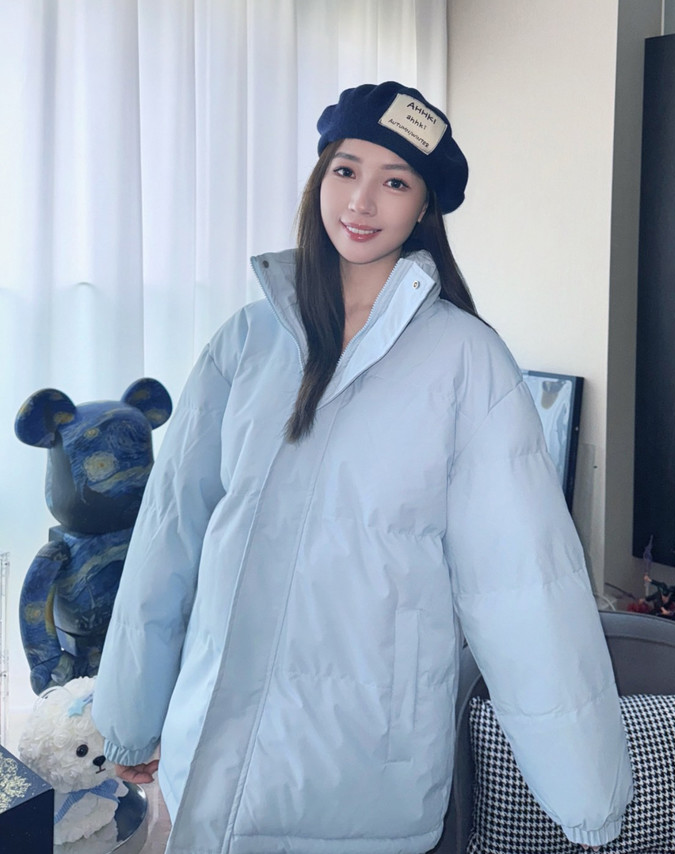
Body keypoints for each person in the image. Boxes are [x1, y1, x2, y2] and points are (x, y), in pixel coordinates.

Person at [92, 82, 633, 854]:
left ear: (424, 207)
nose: (362, 200)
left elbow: (522, 582)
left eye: (396, 181)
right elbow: (172, 534)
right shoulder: (246, 342)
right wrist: (132, 709)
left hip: (361, 783)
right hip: (204, 767)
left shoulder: (467, 361)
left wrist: (587, 790)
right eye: (346, 170)